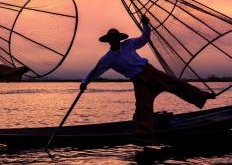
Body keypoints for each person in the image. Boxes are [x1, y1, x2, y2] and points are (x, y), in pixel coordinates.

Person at [80, 15, 216, 136]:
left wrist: (145, 25)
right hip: (139, 81)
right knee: (142, 106)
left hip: (150, 72)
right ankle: (144, 133)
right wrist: (85, 82)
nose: (114, 40)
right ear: (108, 41)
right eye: (111, 39)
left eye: (116, 38)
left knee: (175, 84)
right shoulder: (107, 58)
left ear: (119, 38)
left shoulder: (129, 44)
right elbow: (95, 71)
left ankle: (201, 95)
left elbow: (144, 38)